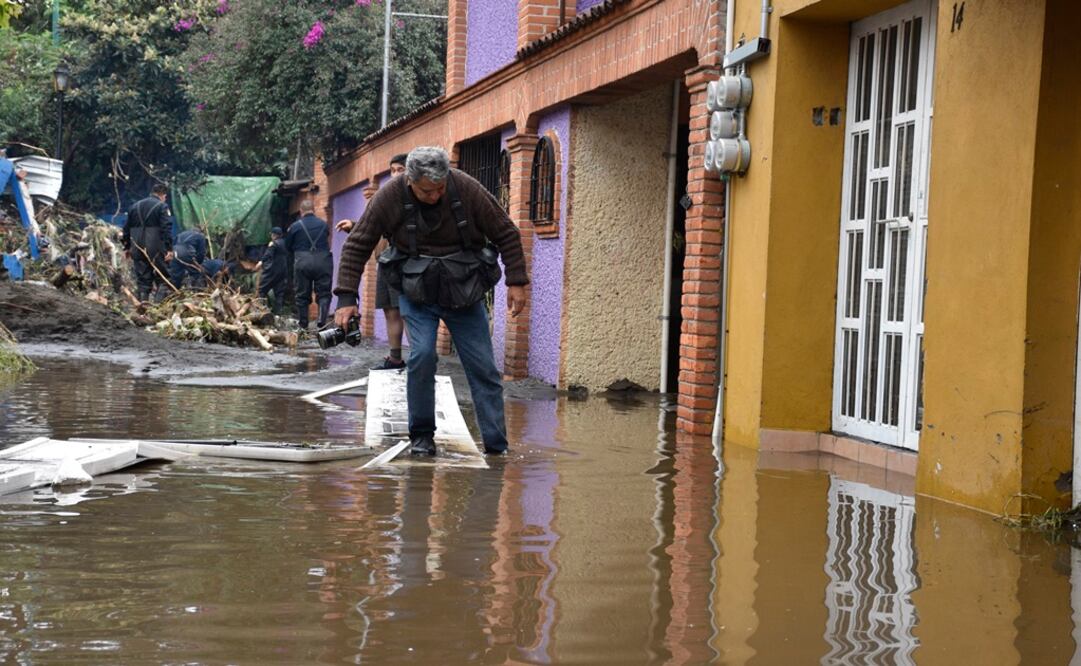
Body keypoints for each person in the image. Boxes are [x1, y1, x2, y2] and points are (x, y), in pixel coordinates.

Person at [334, 146, 528, 457]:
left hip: (464, 293)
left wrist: (517, 281)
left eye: (440, 188)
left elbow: (506, 232)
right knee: (422, 356)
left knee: (484, 369)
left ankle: (496, 445)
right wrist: (346, 297)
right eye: (427, 190)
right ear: (410, 181)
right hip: (416, 292)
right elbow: (358, 243)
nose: (436, 195)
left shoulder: (465, 187)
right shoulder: (389, 196)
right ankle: (422, 436)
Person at [336, 153, 408, 370]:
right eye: (392, 170)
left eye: (400, 170)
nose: (395, 174)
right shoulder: (384, 199)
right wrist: (355, 225)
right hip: (384, 262)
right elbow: (376, 227)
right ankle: (395, 358)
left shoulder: (414, 197)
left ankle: (420, 362)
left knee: (409, 311)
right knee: (390, 310)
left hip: (404, 264)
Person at [286, 198, 333, 331]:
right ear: (314, 210)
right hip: (323, 261)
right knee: (324, 292)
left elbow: (287, 246)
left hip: (302, 261)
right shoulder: (324, 225)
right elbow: (327, 239)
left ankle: (303, 323)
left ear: (301, 211)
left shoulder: (295, 226)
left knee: (302, 294)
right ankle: (321, 322)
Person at [122, 184, 174, 302]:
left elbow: (126, 229)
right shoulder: (162, 206)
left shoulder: (134, 206)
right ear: (163, 195)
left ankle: (143, 308)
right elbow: (166, 228)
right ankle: (158, 308)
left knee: (143, 280)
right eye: (165, 197)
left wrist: (127, 247)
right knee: (163, 277)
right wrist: (169, 249)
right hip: (156, 248)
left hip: (137, 248)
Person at [256, 226, 288, 314]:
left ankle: (260, 311)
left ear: (274, 235)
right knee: (279, 293)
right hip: (283, 271)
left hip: (272, 270)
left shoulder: (273, 244)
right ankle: (278, 313)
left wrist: (261, 262)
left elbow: (268, 255)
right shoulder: (285, 243)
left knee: (262, 289)